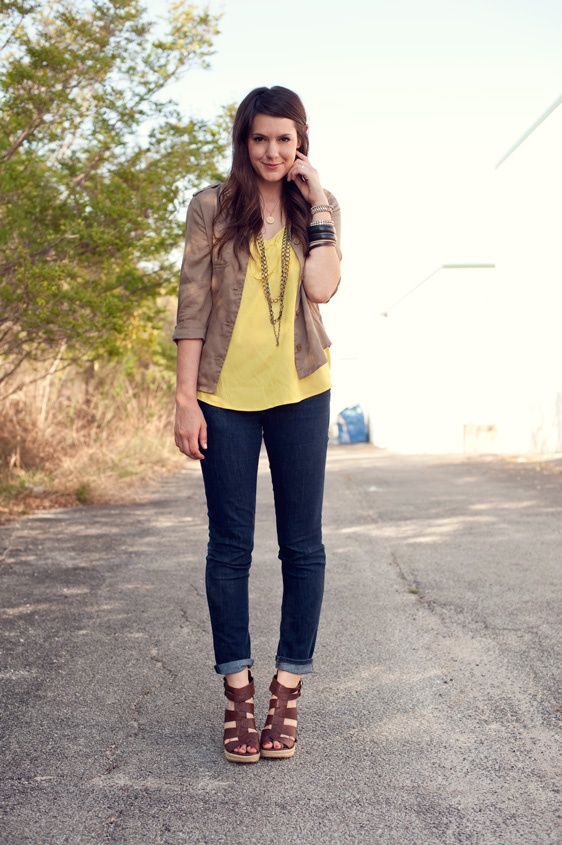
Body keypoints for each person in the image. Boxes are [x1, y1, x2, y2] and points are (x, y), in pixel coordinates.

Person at [173, 85, 341, 763]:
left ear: (301, 141)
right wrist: (186, 399)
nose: (273, 151)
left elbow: (324, 286)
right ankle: (238, 689)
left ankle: (288, 687)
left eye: (285, 138)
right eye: (261, 138)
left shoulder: (316, 210)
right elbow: (191, 305)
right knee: (230, 547)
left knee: (302, 545)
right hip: (223, 396)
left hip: (302, 390)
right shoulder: (211, 206)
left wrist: (321, 197)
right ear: (244, 141)